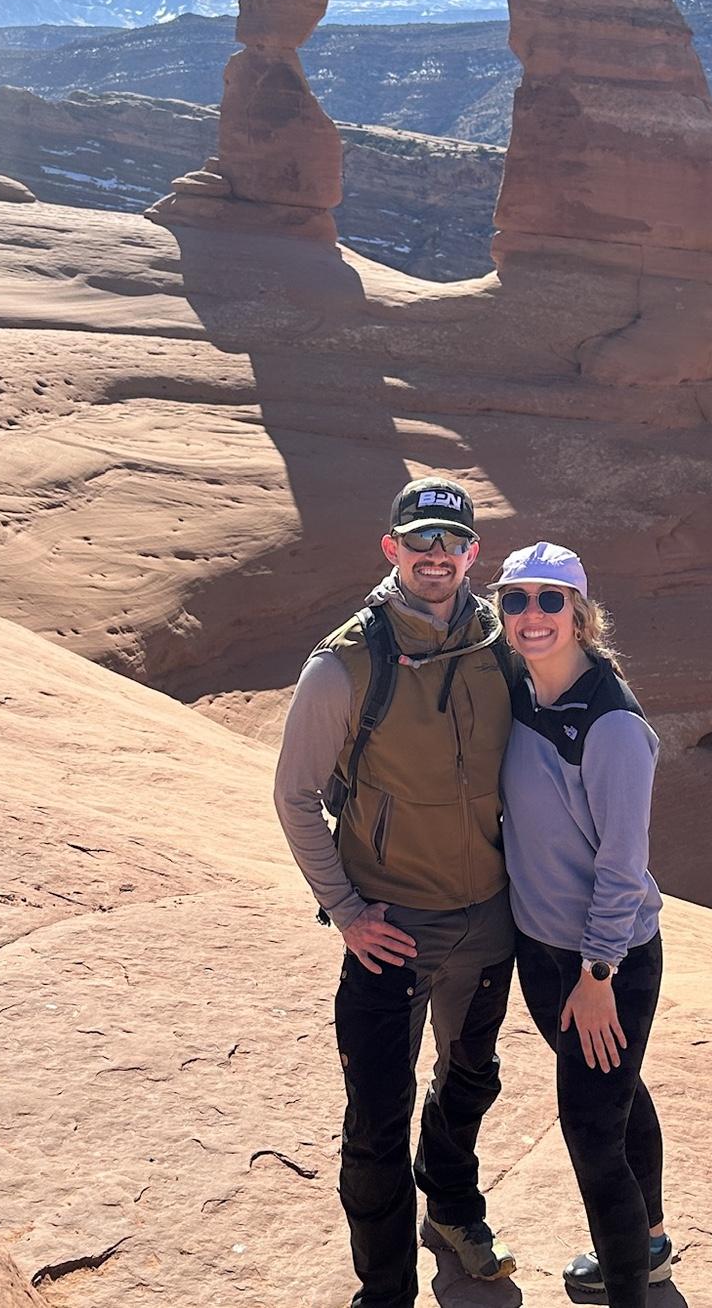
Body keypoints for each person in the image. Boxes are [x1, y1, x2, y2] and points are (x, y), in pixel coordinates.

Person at [273, 476, 518, 1308]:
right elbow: (294, 796)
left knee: (471, 1077)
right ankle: (386, 1290)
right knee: (376, 1118)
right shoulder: (347, 661)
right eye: (420, 543)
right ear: (392, 549)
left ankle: (450, 1205)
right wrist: (346, 912)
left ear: (473, 552)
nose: (436, 558)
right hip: (393, 924)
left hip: (488, 916)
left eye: (451, 544)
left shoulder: (499, 644)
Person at [489, 540, 672, 1306]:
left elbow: (624, 865)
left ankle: (630, 1286)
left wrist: (598, 977)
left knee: (592, 1135)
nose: (532, 616)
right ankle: (649, 1243)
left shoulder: (611, 724)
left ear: (581, 614)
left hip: (605, 961)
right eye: (516, 601)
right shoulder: (520, 689)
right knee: (620, 1097)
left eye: (550, 600)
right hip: (541, 950)